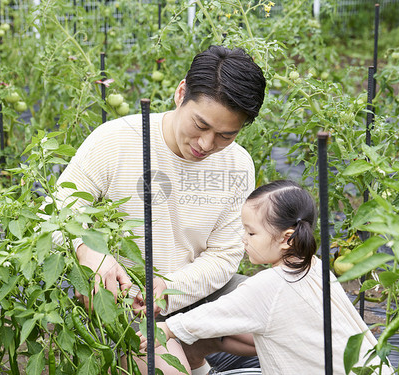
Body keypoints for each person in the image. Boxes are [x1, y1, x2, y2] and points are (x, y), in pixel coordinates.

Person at [50, 45, 266, 373]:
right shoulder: (116, 140)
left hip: (189, 293)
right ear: (181, 93)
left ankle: (195, 351)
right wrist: (88, 251)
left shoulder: (237, 164)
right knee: (163, 364)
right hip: (124, 302)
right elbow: (56, 211)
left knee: (277, 315)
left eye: (225, 135)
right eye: (201, 125)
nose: (207, 144)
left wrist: (169, 288)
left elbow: (224, 255)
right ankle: (177, 358)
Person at [138, 180, 392, 374]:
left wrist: (164, 328)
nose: (243, 239)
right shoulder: (313, 267)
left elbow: (209, 316)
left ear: (286, 238)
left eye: (250, 233)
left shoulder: (270, 285)